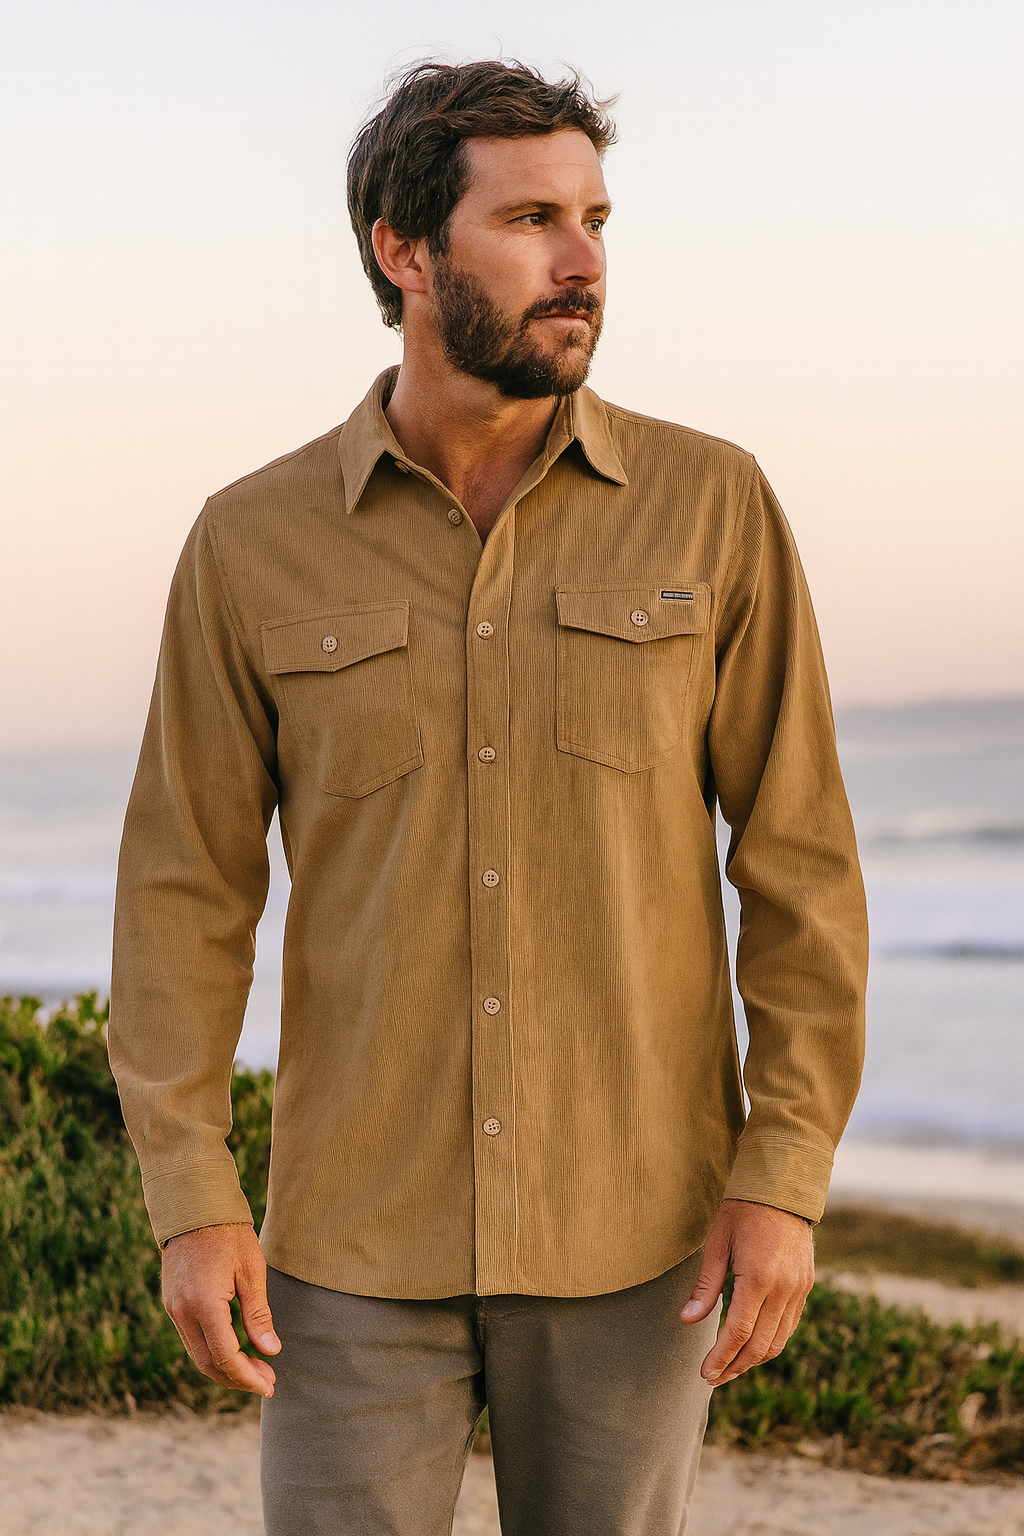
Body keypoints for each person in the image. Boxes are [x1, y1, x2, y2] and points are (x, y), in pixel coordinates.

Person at [109, 59, 868, 1536]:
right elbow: (184, 892)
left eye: (594, 217)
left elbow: (802, 869)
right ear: (405, 251)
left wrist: (784, 1173)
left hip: (640, 1243)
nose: (582, 259)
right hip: (349, 1247)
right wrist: (193, 1199)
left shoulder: (714, 508)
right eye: (529, 219)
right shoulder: (249, 543)